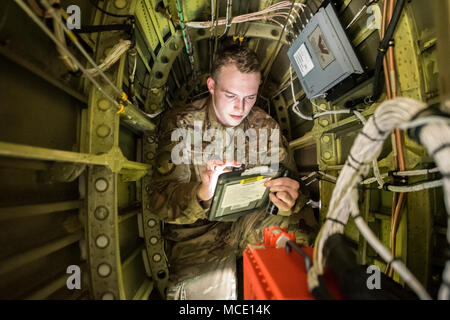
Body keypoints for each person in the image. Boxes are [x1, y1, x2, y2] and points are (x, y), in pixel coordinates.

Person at [148, 45, 318, 299]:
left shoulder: (265, 126)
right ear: (212, 85)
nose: (241, 107)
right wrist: (202, 192)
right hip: (198, 235)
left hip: (251, 219)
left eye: (250, 97)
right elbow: (159, 201)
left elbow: (293, 188)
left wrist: (291, 200)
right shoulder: (181, 123)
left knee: (303, 257)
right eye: (231, 95)